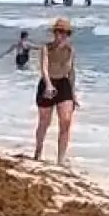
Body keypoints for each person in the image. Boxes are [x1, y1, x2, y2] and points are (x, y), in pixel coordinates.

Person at [34, 17, 79, 164]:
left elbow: (71, 73)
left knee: (66, 121)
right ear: (55, 33)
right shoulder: (46, 48)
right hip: (48, 83)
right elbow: (44, 68)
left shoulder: (70, 50)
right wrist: (48, 85)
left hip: (64, 85)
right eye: (59, 31)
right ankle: (38, 151)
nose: (62, 35)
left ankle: (60, 159)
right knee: (44, 122)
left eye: (65, 32)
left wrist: (73, 95)